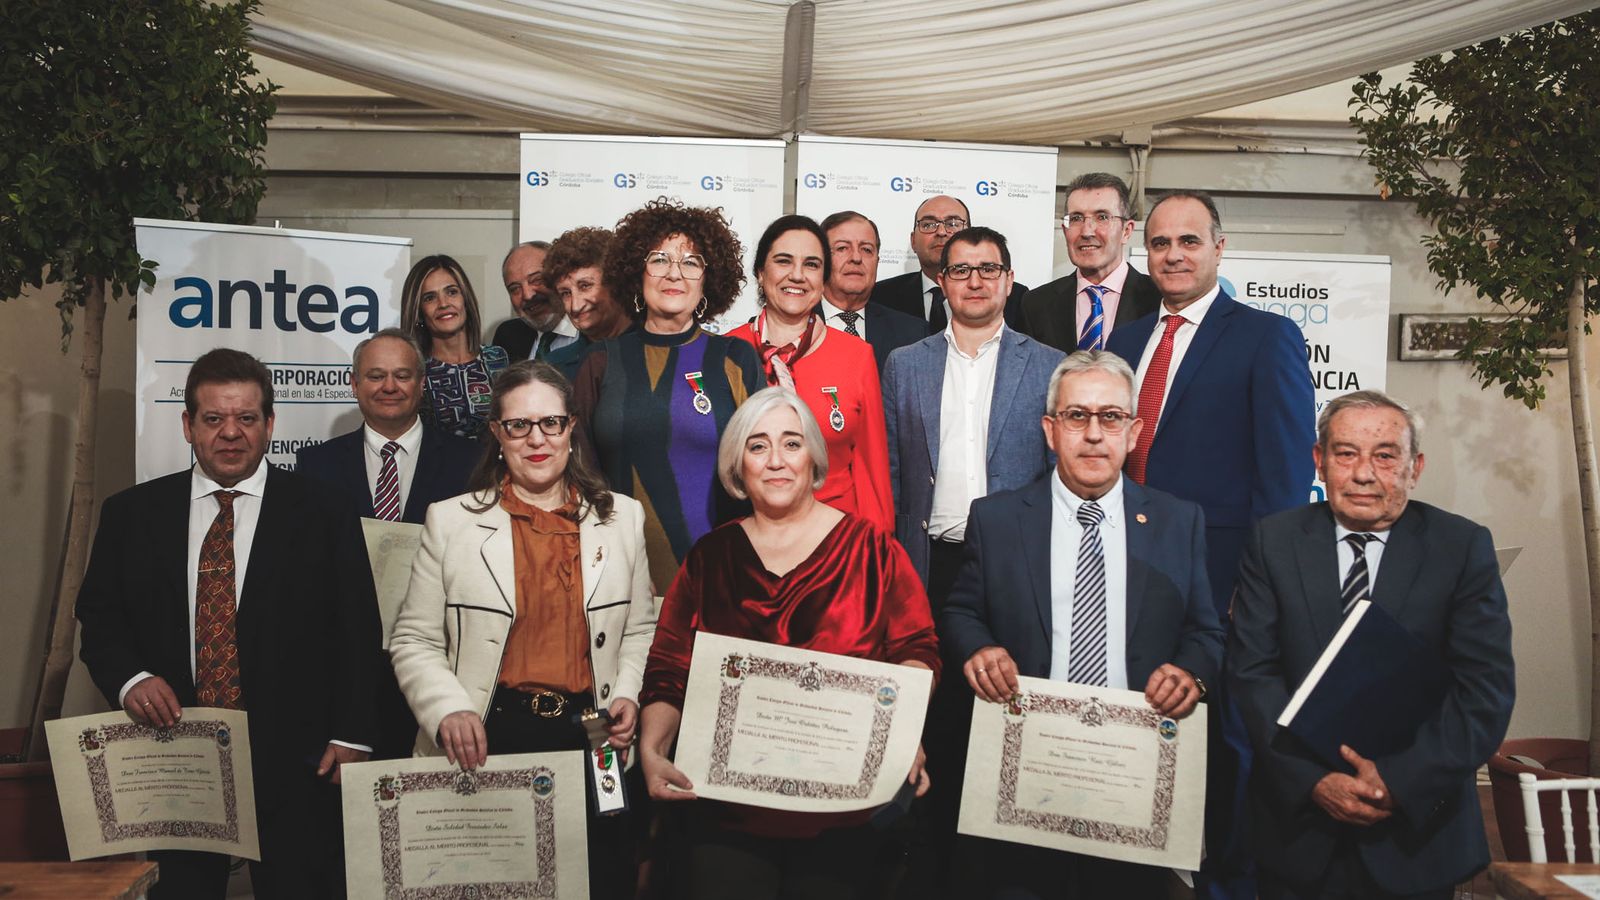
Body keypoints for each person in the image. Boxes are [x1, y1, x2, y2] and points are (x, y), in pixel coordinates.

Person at [76, 348, 381, 900]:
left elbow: (358, 627)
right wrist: (130, 679)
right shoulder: (132, 514)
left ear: (269, 425)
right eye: (214, 419)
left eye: (245, 418)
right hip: (176, 755)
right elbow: (99, 618)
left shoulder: (323, 510)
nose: (230, 433)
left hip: (298, 759)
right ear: (188, 425)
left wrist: (353, 733)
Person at [637, 387, 939, 900]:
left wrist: (903, 733)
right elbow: (669, 666)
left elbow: (917, 650)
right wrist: (651, 746)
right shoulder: (711, 557)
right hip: (726, 809)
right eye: (757, 446)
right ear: (737, 465)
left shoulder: (872, 549)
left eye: (791, 444)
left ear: (814, 459)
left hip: (843, 807)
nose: (776, 460)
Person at [942, 350, 1223, 898]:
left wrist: (1193, 672)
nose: (1094, 434)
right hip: (1027, 773)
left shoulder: (1177, 521)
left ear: (1134, 432)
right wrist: (976, 649)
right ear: (1051, 430)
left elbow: (1206, 631)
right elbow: (961, 612)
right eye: (1077, 416)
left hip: (1133, 776)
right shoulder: (997, 519)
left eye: (1111, 417)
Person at [1106, 190, 1316, 900]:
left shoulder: (1266, 335)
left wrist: (1254, 593)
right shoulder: (1125, 341)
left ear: (1219, 249)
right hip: (1128, 577)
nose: (1173, 255)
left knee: (1224, 751)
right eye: (1161, 243)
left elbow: (1286, 481)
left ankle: (1223, 885)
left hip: (1225, 584)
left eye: (1189, 242)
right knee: (1139, 736)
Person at [1228, 390, 1514, 899]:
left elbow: (1484, 693)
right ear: (1319, 462)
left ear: (1414, 467)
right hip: (1297, 836)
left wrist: (1398, 780)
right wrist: (1314, 781)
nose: (1364, 473)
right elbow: (1252, 676)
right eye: (1345, 453)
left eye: (1384, 455)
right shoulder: (1274, 542)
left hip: (1417, 839)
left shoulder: (1461, 548)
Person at [389, 360, 657, 900]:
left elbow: (640, 628)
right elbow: (413, 638)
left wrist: (627, 692)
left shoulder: (622, 519)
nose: (537, 439)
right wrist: (448, 710)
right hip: (490, 735)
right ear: (497, 433)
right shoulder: (452, 521)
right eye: (519, 426)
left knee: (600, 882)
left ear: (571, 426)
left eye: (551, 423)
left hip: (595, 737)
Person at [880, 225, 1063, 898]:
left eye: (989, 269)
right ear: (944, 282)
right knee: (933, 723)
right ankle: (927, 871)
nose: (976, 281)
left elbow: (1055, 479)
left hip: (1013, 570)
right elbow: (897, 472)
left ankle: (999, 873)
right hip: (929, 565)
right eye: (962, 271)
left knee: (1004, 720)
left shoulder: (1047, 364)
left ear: (1010, 281)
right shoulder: (905, 362)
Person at [295, 328, 481, 759]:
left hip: (444, 663)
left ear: (422, 382)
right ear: (354, 383)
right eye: (376, 376)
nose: (390, 387)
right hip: (345, 671)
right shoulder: (315, 466)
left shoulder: (472, 462)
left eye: (402, 375)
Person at [573, 196, 765, 593]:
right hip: (615, 574)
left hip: (721, 576)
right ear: (636, 273)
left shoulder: (735, 358)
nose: (674, 273)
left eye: (691, 262)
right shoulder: (600, 363)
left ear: (708, 281)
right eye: (659, 259)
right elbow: (578, 472)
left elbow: (760, 472)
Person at [727, 214, 892, 532]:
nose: (798, 275)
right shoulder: (726, 350)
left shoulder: (856, 355)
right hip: (748, 540)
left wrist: (874, 552)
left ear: (824, 277)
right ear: (761, 272)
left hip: (836, 544)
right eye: (784, 261)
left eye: (812, 264)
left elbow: (872, 472)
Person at [1019, 173, 1161, 352]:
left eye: (1102, 217)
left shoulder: (1159, 300)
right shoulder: (1036, 304)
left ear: (1126, 230)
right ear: (1065, 231)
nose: (1086, 232)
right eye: (1076, 218)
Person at [871, 195, 1027, 332]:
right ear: (913, 241)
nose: (941, 232)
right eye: (928, 225)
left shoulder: (1016, 298)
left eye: (952, 224)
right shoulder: (881, 296)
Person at [400, 253, 511, 440]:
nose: (443, 304)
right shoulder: (412, 371)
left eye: (451, 292)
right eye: (429, 298)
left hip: (497, 468)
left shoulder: (497, 359)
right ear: (418, 311)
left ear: (465, 299)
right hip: (435, 468)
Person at [818, 209, 929, 372]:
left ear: (877, 261)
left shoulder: (914, 334)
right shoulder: (794, 326)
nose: (856, 258)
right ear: (821, 259)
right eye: (842, 248)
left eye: (866, 249)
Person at [492, 240, 582, 361]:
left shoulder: (595, 334)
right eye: (515, 288)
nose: (527, 295)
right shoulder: (508, 336)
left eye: (537, 280)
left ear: (562, 277)